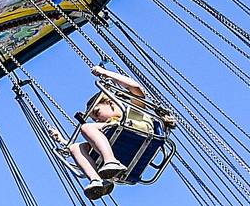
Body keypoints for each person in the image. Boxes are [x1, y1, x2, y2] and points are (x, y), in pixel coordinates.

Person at [64, 66, 171, 198]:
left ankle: (111, 161)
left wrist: (106, 73)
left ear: (111, 102)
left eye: (97, 113)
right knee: (75, 147)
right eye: (94, 118)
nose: (97, 120)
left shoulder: (134, 110)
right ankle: (97, 180)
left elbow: (135, 88)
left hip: (137, 132)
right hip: (119, 145)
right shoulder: (106, 131)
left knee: (86, 128)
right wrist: (62, 141)